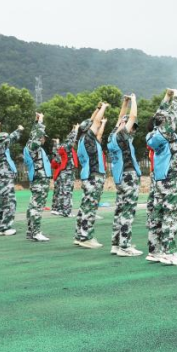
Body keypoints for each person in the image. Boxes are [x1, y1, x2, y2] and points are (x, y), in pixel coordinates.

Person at [145, 89, 177, 265]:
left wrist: (166, 98)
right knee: (170, 214)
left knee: (157, 214)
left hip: (161, 178)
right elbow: (173, 115)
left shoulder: (153, 134)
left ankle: (154, 251)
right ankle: (169, 252)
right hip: (171, 177)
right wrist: (175, 97)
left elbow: (160, 115)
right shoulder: (165, 132)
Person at [107, 95, 144, 256]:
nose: (133, 130)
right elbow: (133, 116)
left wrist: (125, 103)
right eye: (132, 127)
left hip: (119, 178)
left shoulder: (112, 135)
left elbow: (121, 117)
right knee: (128, 212)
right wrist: (134, 100)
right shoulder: (122, 134)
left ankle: (116, 244)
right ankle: (125, 246)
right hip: (129, 176)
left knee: (119, 211)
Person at [74, 102, 109, 249]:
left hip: (88, 176)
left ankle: (79, 235)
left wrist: (98, 111)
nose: (97, 125)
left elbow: (94, 124)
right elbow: (95, 121)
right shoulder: (88, 137)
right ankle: (86, 237)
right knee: (90, 208)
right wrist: (103, 108)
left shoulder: (83, 139)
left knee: (85, 207)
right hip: (93, 176)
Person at [22, 113, 51, 242]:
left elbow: (34, 135)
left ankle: (31, 231)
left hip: (39, 180)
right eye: (42, 137)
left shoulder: (34, 147)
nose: (43, 139)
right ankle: (36, 232)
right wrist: (40, 122)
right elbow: (36, 136)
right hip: (39, 181)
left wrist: (36, 123)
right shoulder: (32, 146)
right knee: (37, 207)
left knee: (33, 206)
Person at [51, 124, 78, 217]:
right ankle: (66, 211)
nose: (74, 143)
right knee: (67, 192)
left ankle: (61, 209)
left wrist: (73, 129)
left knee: (63, 192)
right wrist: (76, 130)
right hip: (67, 172)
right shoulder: (66, 147)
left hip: (65, 172)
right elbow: (71, 140)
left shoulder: (63, 146)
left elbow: (70, 139)